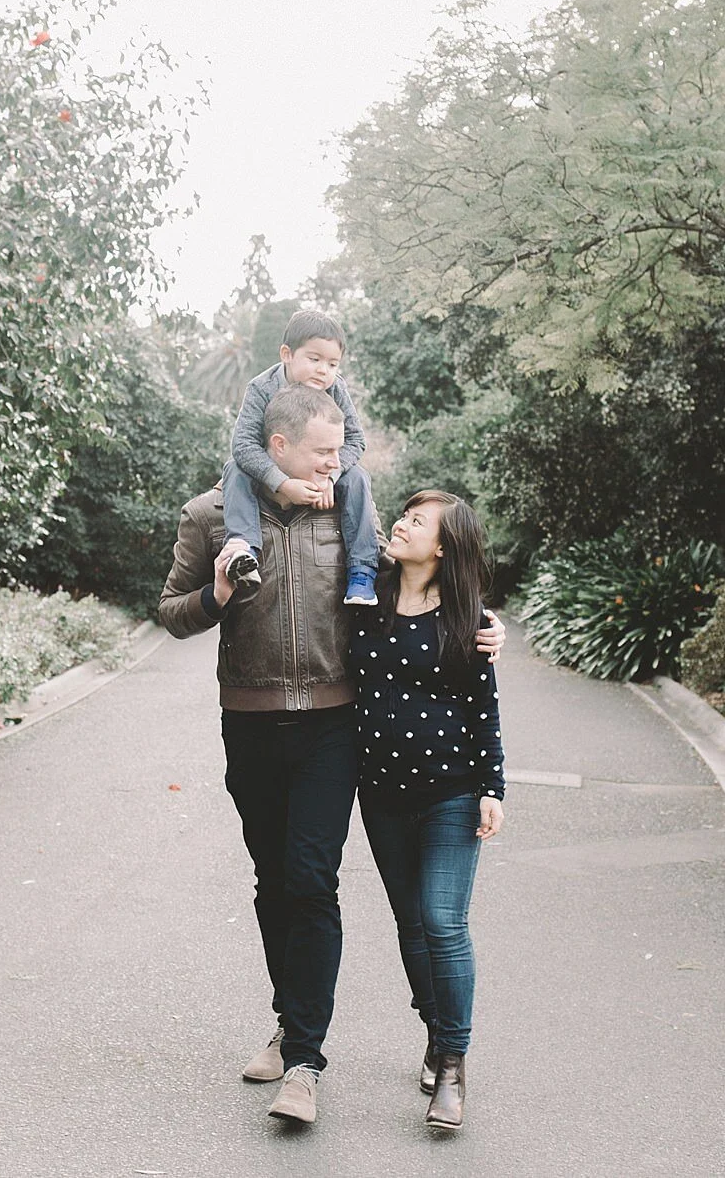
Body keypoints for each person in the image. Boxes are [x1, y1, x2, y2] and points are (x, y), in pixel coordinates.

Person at [157, 388, 504, 1126]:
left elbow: (407, 583)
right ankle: (291, 1023)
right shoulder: (211, 514)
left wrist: (479, 621)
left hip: (331, 725)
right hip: (249, 722)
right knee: (273, 882)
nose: (337, 464)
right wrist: (215, 596)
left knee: (312, 880)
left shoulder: (347, 508)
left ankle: (306, 1061)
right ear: (277, 446)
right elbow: (171, 612)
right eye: (323, 451)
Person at [351, 490, 504, 1132]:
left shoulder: (468, 618)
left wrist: (493, 788)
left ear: (442, 547)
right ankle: (437, 1035)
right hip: (380, 793)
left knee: (443, 922)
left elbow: (483, 710)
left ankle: (452, 1067)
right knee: (411, 925)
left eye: (418, 521)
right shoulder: (366, 595)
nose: (402, 524)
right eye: (405, 515)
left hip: (451, 792)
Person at [219, 309, 381, 606]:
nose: (323, 371)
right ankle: (243, 549)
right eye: (314, 359)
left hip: (322, 474)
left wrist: (330, 477)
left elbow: (356, 440)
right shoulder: (262, 388)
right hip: (270, 474)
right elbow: (243, 444)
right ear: (287, 354)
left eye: (332, 364)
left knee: (358, 476)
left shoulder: (336, 388)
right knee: (235, 469)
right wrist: (283, 483)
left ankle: (361, 571)